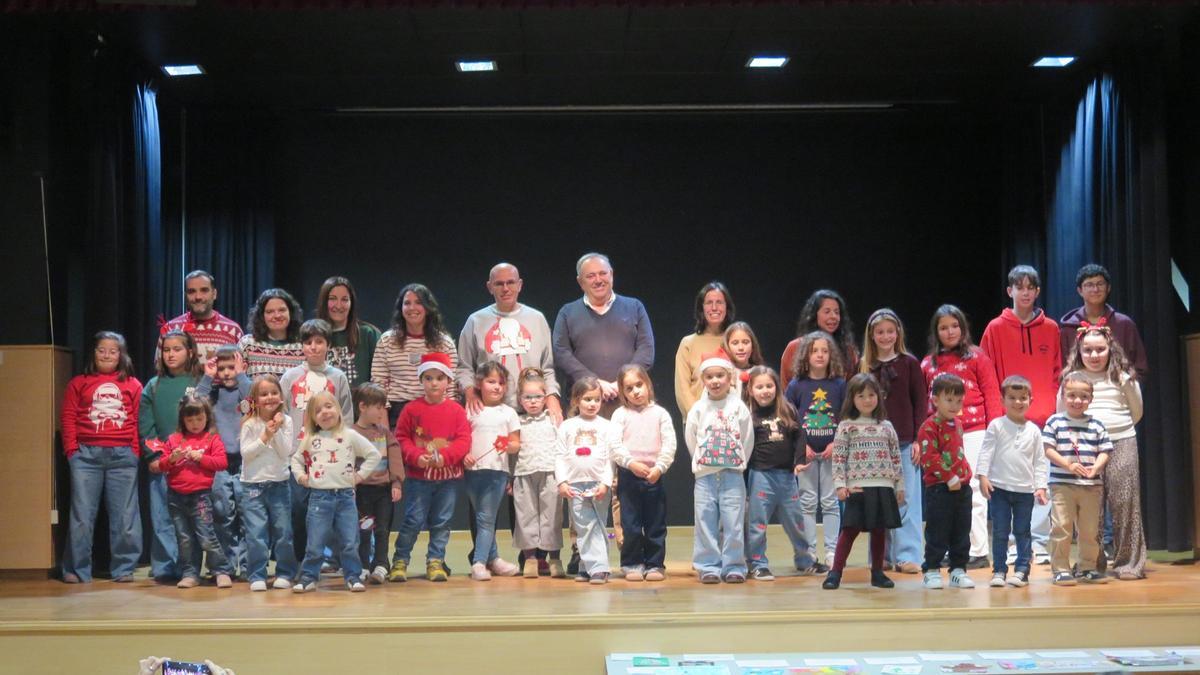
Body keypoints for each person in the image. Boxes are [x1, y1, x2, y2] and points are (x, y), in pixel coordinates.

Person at [552, 252, 654, 566]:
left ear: (612, 274)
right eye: (591, 275)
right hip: (585, 409)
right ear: (580, 280)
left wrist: (622, 383)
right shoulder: (568, 312)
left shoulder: (634, 307)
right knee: (582, 477)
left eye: (603, 274)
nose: (598, 280)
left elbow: (646, 349)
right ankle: (580, 552)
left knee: (620, 479)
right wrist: (594, 382)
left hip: (626, 407)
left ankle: (626, 546)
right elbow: (560, 351)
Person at [979, 265, 1060, 565]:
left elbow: (1056, 371)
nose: (1025, 292)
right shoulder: (995, 329)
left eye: (1030, 287)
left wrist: (1053, 411)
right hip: (1006, 420)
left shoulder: (1050, 328)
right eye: (1019, 286)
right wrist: (996, 416)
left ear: (1037, 292)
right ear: (1009, 291)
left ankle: (1037, 543)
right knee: (1007, 483)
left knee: (1039, 483)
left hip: (1043, 419)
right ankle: (1011, 543)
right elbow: (987, 375)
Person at [921, 304, 1002, 569]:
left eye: (954, 325)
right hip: (942, 436)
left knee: (975, 490)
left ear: (962, 327)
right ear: (936, 331)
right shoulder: (928, 364)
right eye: (944, 327)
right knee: (946, 494)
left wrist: (995, 432)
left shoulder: (977, 357)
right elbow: (926, 404)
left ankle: (978, 550)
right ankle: (951, 549)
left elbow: (991, 394)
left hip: (975, 431)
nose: (950, 331)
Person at [60, 331, 143, 584]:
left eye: (113, 351)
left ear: (122, 355)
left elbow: (139, 419)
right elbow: (68, 418)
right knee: (83, 515)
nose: (107, 355)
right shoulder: (79, 383)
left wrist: (135, 451)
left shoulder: (133, 385)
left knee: (125, 516)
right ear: (93, 353)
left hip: (123, 457)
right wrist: (72, 451)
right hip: (86, 456)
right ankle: (77, 568)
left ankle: (124, 568)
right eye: (101, 350)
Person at [1065, 327, 1146, 580]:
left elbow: (1137, 412)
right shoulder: (1071, 378)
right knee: (1090, 507)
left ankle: (1128, 563)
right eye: (1088, 349)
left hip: (1121, 441)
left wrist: (1113, 429)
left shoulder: (1123, 377)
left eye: (1100, 349)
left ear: (1111, 349)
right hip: (1086, 447)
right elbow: (1063, 413)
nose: (1094, 354)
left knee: (1124, 503)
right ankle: (1091, 562)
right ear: (1079, 351)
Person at [389, 353, 470, 583]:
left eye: (439, 378)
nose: (434, 383)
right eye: (428, 378)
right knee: (413, 520)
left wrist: (445, 457)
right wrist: (416, 456)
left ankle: (435, 560)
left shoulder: (456, 410)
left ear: (448, 381)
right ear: (421, 380)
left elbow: (464, 441)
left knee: (442, 521)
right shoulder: (412, 409)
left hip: (449, 479)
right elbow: (401, 438)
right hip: (419, 478)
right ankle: (400, 560)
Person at [290, 391, 381, 593]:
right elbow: (296, 460)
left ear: (338, 410)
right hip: (319, 498)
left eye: (329, 406)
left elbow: (373, 455)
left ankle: (352, 576)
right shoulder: (311, 438)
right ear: (313, 418)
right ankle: (308, 577)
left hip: (346, 497)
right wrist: (300, 476)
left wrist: (359, 476)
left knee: (349, 541)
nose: (325, 412)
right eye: (318, 410)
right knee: (315, 542)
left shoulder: (349, 435)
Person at [280, 319, 353, 562]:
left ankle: (333, 558)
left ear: (328, 346)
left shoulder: (338, 377)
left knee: (330, 509)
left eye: (319, 342)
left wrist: (344, 450)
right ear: (302, 346)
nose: (313, 347)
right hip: (298, 454)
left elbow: (347, 416)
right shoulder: (290, 377)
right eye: (308, 342)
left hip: (329, 456)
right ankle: (302, 559)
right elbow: (283, 414)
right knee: (299, 509)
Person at [822, 373, 904, 590]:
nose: (867, 400)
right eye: (861, 395)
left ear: (879, 396)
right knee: (849, 530)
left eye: (871, 394)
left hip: (883, 486)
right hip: (857, 487)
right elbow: (838, 457)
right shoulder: (846, 426)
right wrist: (840, 485)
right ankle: (835, 573)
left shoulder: (886, 426)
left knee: (879, 530)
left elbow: (896, 457)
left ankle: (877, 573)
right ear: (852, 399)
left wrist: (899, 485)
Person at [860, 309, 926, 575]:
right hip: (874, 444)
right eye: (880, 332)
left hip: (905, 441)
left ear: (897, 333)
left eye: (890, 331)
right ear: (872, 336)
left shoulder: (909, 363)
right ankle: (882, 554)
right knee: (878, 500)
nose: (885, 336)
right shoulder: (865, 366)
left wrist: (919, 438)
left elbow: (920, 403)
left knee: (906, 499)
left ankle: (908, 554)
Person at [457, 263, 563, 421]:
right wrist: (470, 392)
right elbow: (464, 367)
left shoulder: (537, 319)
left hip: (533, 410)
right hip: (490, 411)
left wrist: (552, 396)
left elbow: (547, 368)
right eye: (499, 284)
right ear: (489, 287)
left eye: (510, 282)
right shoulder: (475, 321)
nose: (505, 288)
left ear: (519, 285)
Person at [149, 395, 233, 589]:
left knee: (206, 536)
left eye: (199, 419)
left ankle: (221, 570)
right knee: (185, 538)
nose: (195, 424)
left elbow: (221, 463)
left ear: (207, 418)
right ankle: (190, 573)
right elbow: (162, 466)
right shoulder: (174, 439)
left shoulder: (212, 439)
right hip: (176, 497)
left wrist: (200, 458)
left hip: (200, 497)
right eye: (190, 420)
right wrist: (171, 459)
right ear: (182, 420)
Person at [139, 329, 202, 582]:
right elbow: (146, 424)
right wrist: (154, 456)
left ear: (189, 352)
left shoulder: (200, 382)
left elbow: (207, 420)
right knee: (162, 516)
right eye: (166, 350)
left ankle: (191, 567)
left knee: (195, 519)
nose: (171, 354)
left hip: (194, 461)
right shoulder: (153, 386)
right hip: (165, 462)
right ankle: (166, 567)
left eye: (177, 349)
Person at [686, 349, 753, 584]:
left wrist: (735, 462)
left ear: (730, 378)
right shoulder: (698, 409)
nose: (715, 381)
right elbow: (691, 439)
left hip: (732, 474)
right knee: (705, 520)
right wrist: (703, 463)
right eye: (710, 377)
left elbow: (746, 439)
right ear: (703, 380)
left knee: (733, 520)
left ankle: (734, 564)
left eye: (720, 376)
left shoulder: (738, 408)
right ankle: (708, 565)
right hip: (705, 476)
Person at [976, 375, 1047, 588]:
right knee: (999, 531)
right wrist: (983, 476)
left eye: (1023, 398)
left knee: (1023, 531)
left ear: (1030, 400)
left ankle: (1022, 570)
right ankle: (998, 570)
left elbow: (1040, 461)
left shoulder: (1034, 430)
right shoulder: (996, 426)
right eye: (1012, 397)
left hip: (1025, 491)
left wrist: (1041, 486)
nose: (1018, 402)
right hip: (999, 489)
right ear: (1002, 400)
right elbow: (986, 452)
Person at [1043, 372, 1112, 586]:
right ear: (1063, 396)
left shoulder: (1097, 425)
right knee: (1062, 526)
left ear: (1090, 400)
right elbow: (1048, 449)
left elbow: (1105, 451)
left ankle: (1087, 567)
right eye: (1072, 395)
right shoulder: (1054, 421)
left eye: (1083, 396)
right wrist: (1068, 465)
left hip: (1091, 486)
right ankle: (1061, 569)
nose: (1077, 400)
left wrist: (1096, 468)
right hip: (1062, 485)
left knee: (1090, 529)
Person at [742, 365, 811, 580]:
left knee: (796, 521)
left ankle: (805, 559)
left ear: (777, 387)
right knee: (757, 523)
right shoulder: (747, 415)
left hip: (787, 477)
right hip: (761, 476)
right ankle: (757, 562)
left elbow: (800, 435)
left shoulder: (787, 410)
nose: (765, 391)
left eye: (769, 385)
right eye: (759, 387)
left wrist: (799, 461)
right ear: (750, 390)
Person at [785, 331, 847, 568]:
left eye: (824, 350)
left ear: (831, 355)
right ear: (805, 355)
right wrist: (803, 447)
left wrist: (836, 443)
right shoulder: (796, 385)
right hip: (807, 455)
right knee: (808, 502)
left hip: (833, 452)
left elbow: (846, 415)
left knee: (831, 502)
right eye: (814, 351)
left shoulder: (839, 384)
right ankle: (809, 551)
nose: (820, 355)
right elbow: (789, 418)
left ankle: (832, 551)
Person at [610, 364, 676, 582]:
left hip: (653, 475)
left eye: (639, 385)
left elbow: (669, 444)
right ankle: (631, 563)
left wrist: (659, 467)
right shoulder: (620, 415)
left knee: (655, 523)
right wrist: (630, 463)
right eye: (629, 388)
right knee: (630, 523)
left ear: (647, 384)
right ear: (623, 393)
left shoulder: (660, 414)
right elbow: (615, 445)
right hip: (629, 475)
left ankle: (655, 564)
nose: (636, 391)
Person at [556, 377, 622, 584]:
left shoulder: (607, 426)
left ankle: (599, 568)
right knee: (583, 526)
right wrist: (562, 482)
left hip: (598, 484)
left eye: (597, 399)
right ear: (576, 401)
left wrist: (605, 483)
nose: (592, 404)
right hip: (574, 484)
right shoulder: (567, 426)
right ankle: (588, 565)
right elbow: (559, 455)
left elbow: (610, 459)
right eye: (587, 399)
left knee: (598, 524)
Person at [196, 345, 252, 578]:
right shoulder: (213, 393)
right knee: (221, 513)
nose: (227, 373)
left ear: (242, 367)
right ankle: (222, 566)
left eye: (232, 367)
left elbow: (253, 400)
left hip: (245, 461)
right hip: (219, 462)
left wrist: (241, 376)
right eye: (222, 368)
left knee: (247, 514)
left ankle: (249, 567)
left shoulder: (245, 391)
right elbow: (195, 403)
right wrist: (208, 377)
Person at [237, 374, 298, 592]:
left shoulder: (287, 421)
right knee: (256, 534)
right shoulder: (250, 424)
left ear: (281, 397)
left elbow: (285, 452)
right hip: (253, 486)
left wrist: (278, 430)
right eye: (263, 394)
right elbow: (246, 454)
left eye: (274, 393)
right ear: (255, 399)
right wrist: (265, 435)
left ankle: (284, 572)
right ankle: (257, 574)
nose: (269, 397)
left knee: (283, 532)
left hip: (279, 484)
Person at [917, 373, 976, 590]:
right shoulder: (929, 427)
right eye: (949, 400)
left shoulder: (958, 423)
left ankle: (958, 569)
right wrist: (949, 477)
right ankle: (931, 569)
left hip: (962, 487)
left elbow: (958, 452)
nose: (954, 405)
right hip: (940, 488)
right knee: (938, 531)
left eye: (958, 400)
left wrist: (965, 475)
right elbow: (929, 457)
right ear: (935, 400)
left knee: (961, 531)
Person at [372, 283, 459, 429]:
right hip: (396, 413)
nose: (412, 308)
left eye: (418, 302)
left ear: (428, 307)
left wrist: (448, 419)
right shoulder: (387, 341)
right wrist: (383, 421)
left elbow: (451, 388)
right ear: (401, 308)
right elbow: (378, 383)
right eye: (407, 303)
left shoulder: (445, 343)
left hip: (434, 409)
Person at [465, 362, 522, 580]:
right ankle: (494, 558)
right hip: (473, 471)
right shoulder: (471, 410)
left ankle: (479, 562)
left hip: (497, 472)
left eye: (501, 383)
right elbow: (462, 439)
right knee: (482, 517)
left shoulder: (508, 413)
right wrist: (464, 456)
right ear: (479, 384)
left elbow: (516, 443)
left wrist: (508, 445)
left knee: (487, 518)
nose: (497, 387)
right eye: (491, 382)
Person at [511, 367, 566, 578]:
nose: (533, 401)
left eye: (538, 396)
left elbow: (562, 448)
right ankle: (530, 559)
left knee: (552, 516)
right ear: (520, 398)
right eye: (528, 397)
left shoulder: (553, 419)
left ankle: (554, 558)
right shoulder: (517, 421)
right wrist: (510, 478)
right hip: (524, 474)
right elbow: (512, 452)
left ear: (545, 397)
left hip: (550, 474)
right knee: (526, 517)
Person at [350, 383, 404, 585]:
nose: (382, 412)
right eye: (378, 407)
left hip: (382, 491)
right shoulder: (351, 433)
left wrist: (396, 482)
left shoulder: (384, 432)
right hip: (361, 491)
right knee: (363, 530)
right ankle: (363, 564)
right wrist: (351, 486)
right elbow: (347, 462)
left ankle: (381, 564)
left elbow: (395, 455)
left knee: (382, 529)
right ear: (363, 407)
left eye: (383, 407)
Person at [1058, 264, 1148, 381]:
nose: (1095, 289)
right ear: (1080, 290)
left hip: (1117, 392)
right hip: (1079, 393)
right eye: (1089, 285)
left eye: (1100, 284)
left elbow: (1140, 366)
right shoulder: (1068, 329)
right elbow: (1063, 368)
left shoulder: (1124, 324)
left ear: (1108, 288)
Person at [674, 281, 735, 417]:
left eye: (719, 302)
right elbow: (682, 389)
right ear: (702, 308)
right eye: (709, 303)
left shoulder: (735, 342)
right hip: (698, 421)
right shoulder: (687, 343)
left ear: (727, 307)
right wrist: (698, 418)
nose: (714, 307)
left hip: (732, 421)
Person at [159, 270, 244, 361]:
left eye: (204, 290)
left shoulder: (233, 330)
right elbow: (160, 369)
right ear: (185, 296)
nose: (198, 297)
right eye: (191, 291)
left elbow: (242, 371)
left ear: (214, 294)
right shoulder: (170, 328)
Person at [315, 276, 381, 388]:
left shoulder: (369, 334)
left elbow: (381, 378)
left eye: (345, 299)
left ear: (352, 303)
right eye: (332, 299)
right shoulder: (313, 336)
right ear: (324, 302)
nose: (339, 305)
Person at [781, 290, 858, 385]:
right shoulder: (795, 347)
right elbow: (786, 388)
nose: (833, 316)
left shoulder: (848, 350)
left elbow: (854, 388)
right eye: (827, 311)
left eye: (837, 312)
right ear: (814, 315)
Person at [238, 288, 305, 378]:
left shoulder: (304, 346)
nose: (277, 316)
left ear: (291, 312)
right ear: (261, 316)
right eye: (270, 312)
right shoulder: (247, 344)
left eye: (282, 310)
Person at [724, 321, 764, 394]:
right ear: (727, 346)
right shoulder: (721, 373)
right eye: (735, 343)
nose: (741, 347)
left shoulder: (760, 373)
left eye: (745, 342)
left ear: (752, 346)